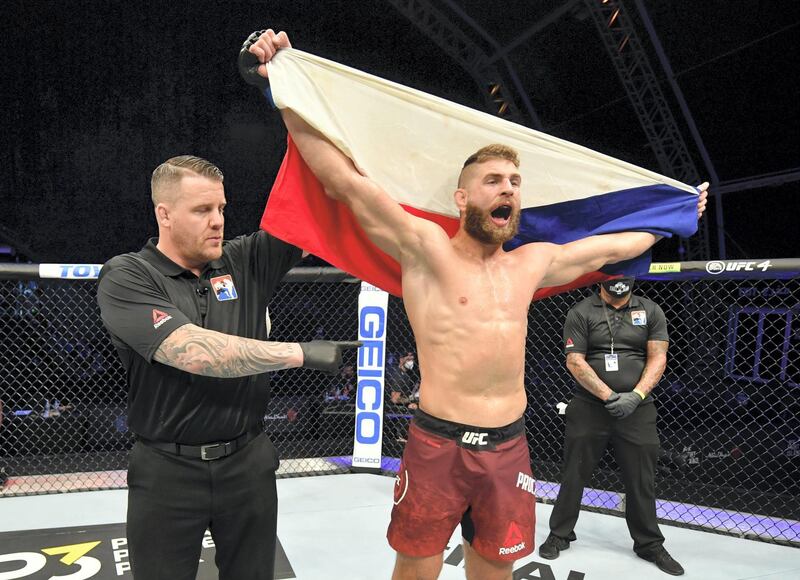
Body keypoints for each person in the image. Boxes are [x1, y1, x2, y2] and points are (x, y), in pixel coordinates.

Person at [241, 30, 708, 580]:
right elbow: (343, 181)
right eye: (492, 180)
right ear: (462, 198)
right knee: (416, 568)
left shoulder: (530, 263)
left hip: (509, 447)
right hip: (437, 443)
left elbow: (612, 246)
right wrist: (287, 93)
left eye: (514, 181)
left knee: (494, 570)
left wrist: (675, 217)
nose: (506, 188)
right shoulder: (426, 251)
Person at [96, 155, 359, 580]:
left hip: (247, 462)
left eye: (221, 208)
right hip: (167, 470)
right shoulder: (127, 275)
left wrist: (306, 112)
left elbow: (317, 205)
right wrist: (299, 353)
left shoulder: (245, 261)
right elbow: (194, 352)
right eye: (202, 210)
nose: (217, 220)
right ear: (164, 214)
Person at [538, 277, 683, 575]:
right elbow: (575, 361)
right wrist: (609, 395)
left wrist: (637, 395)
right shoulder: (581, 311)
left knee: (641, 477)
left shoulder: (651, 309)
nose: (619, 281)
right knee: (574, 470)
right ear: (602, 279)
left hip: (638, 408)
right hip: (590, 405)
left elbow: (659, 356)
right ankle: (560, 533)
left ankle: (649, 544)